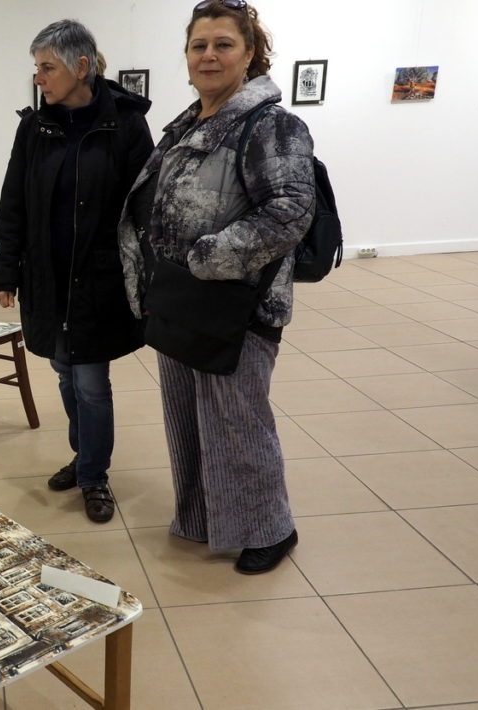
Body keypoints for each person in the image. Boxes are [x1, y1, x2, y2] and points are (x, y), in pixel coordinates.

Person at [117, 0, 315, 572]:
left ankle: (271, 529)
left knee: (237, 420)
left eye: (223, 44)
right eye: (198, 45)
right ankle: (205, 517)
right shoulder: (189, 123)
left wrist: (207, 257)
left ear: (249, 54)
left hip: (235, 305)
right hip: (181, 300)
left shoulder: (272, 125)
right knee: (188, 416)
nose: (209, 55)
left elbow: (290, 211)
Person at [0, 19, 154, 523]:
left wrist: (150, 278)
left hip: (99, 276)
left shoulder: (125, 124)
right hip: (48, 275)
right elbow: (13, 201)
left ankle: (94, 475)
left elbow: (146, 207)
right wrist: (4, 270)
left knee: (91, 380)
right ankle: (84, 457)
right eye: (36, 67)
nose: (38, 77)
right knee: (64, 370)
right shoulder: (34, 127)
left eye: (47, 67)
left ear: (81, 67)